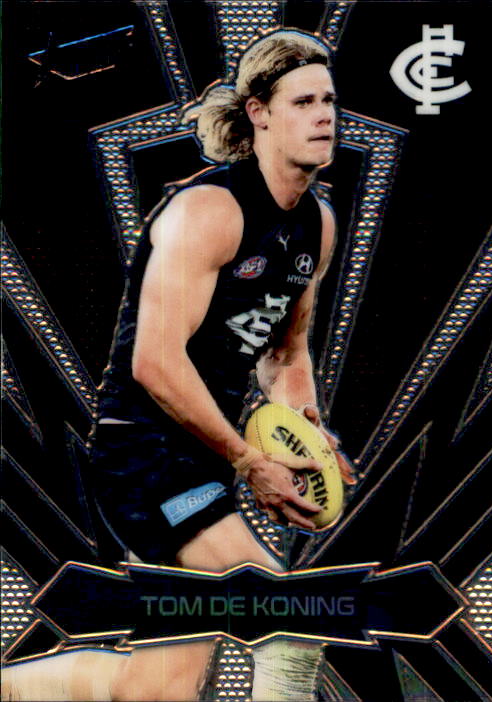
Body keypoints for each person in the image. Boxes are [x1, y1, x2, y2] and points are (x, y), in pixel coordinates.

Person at [2, 28, 355, 702]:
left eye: (329, 101)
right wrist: (250, 462)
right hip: (143, 457)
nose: (324, 116)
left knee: (153, 691)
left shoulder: (317, 223)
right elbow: (155, 363)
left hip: (200, 458)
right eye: (304, 102)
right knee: (288, 627)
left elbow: (285, 354)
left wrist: (306, 437)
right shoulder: (208, 210)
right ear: (259, 113)